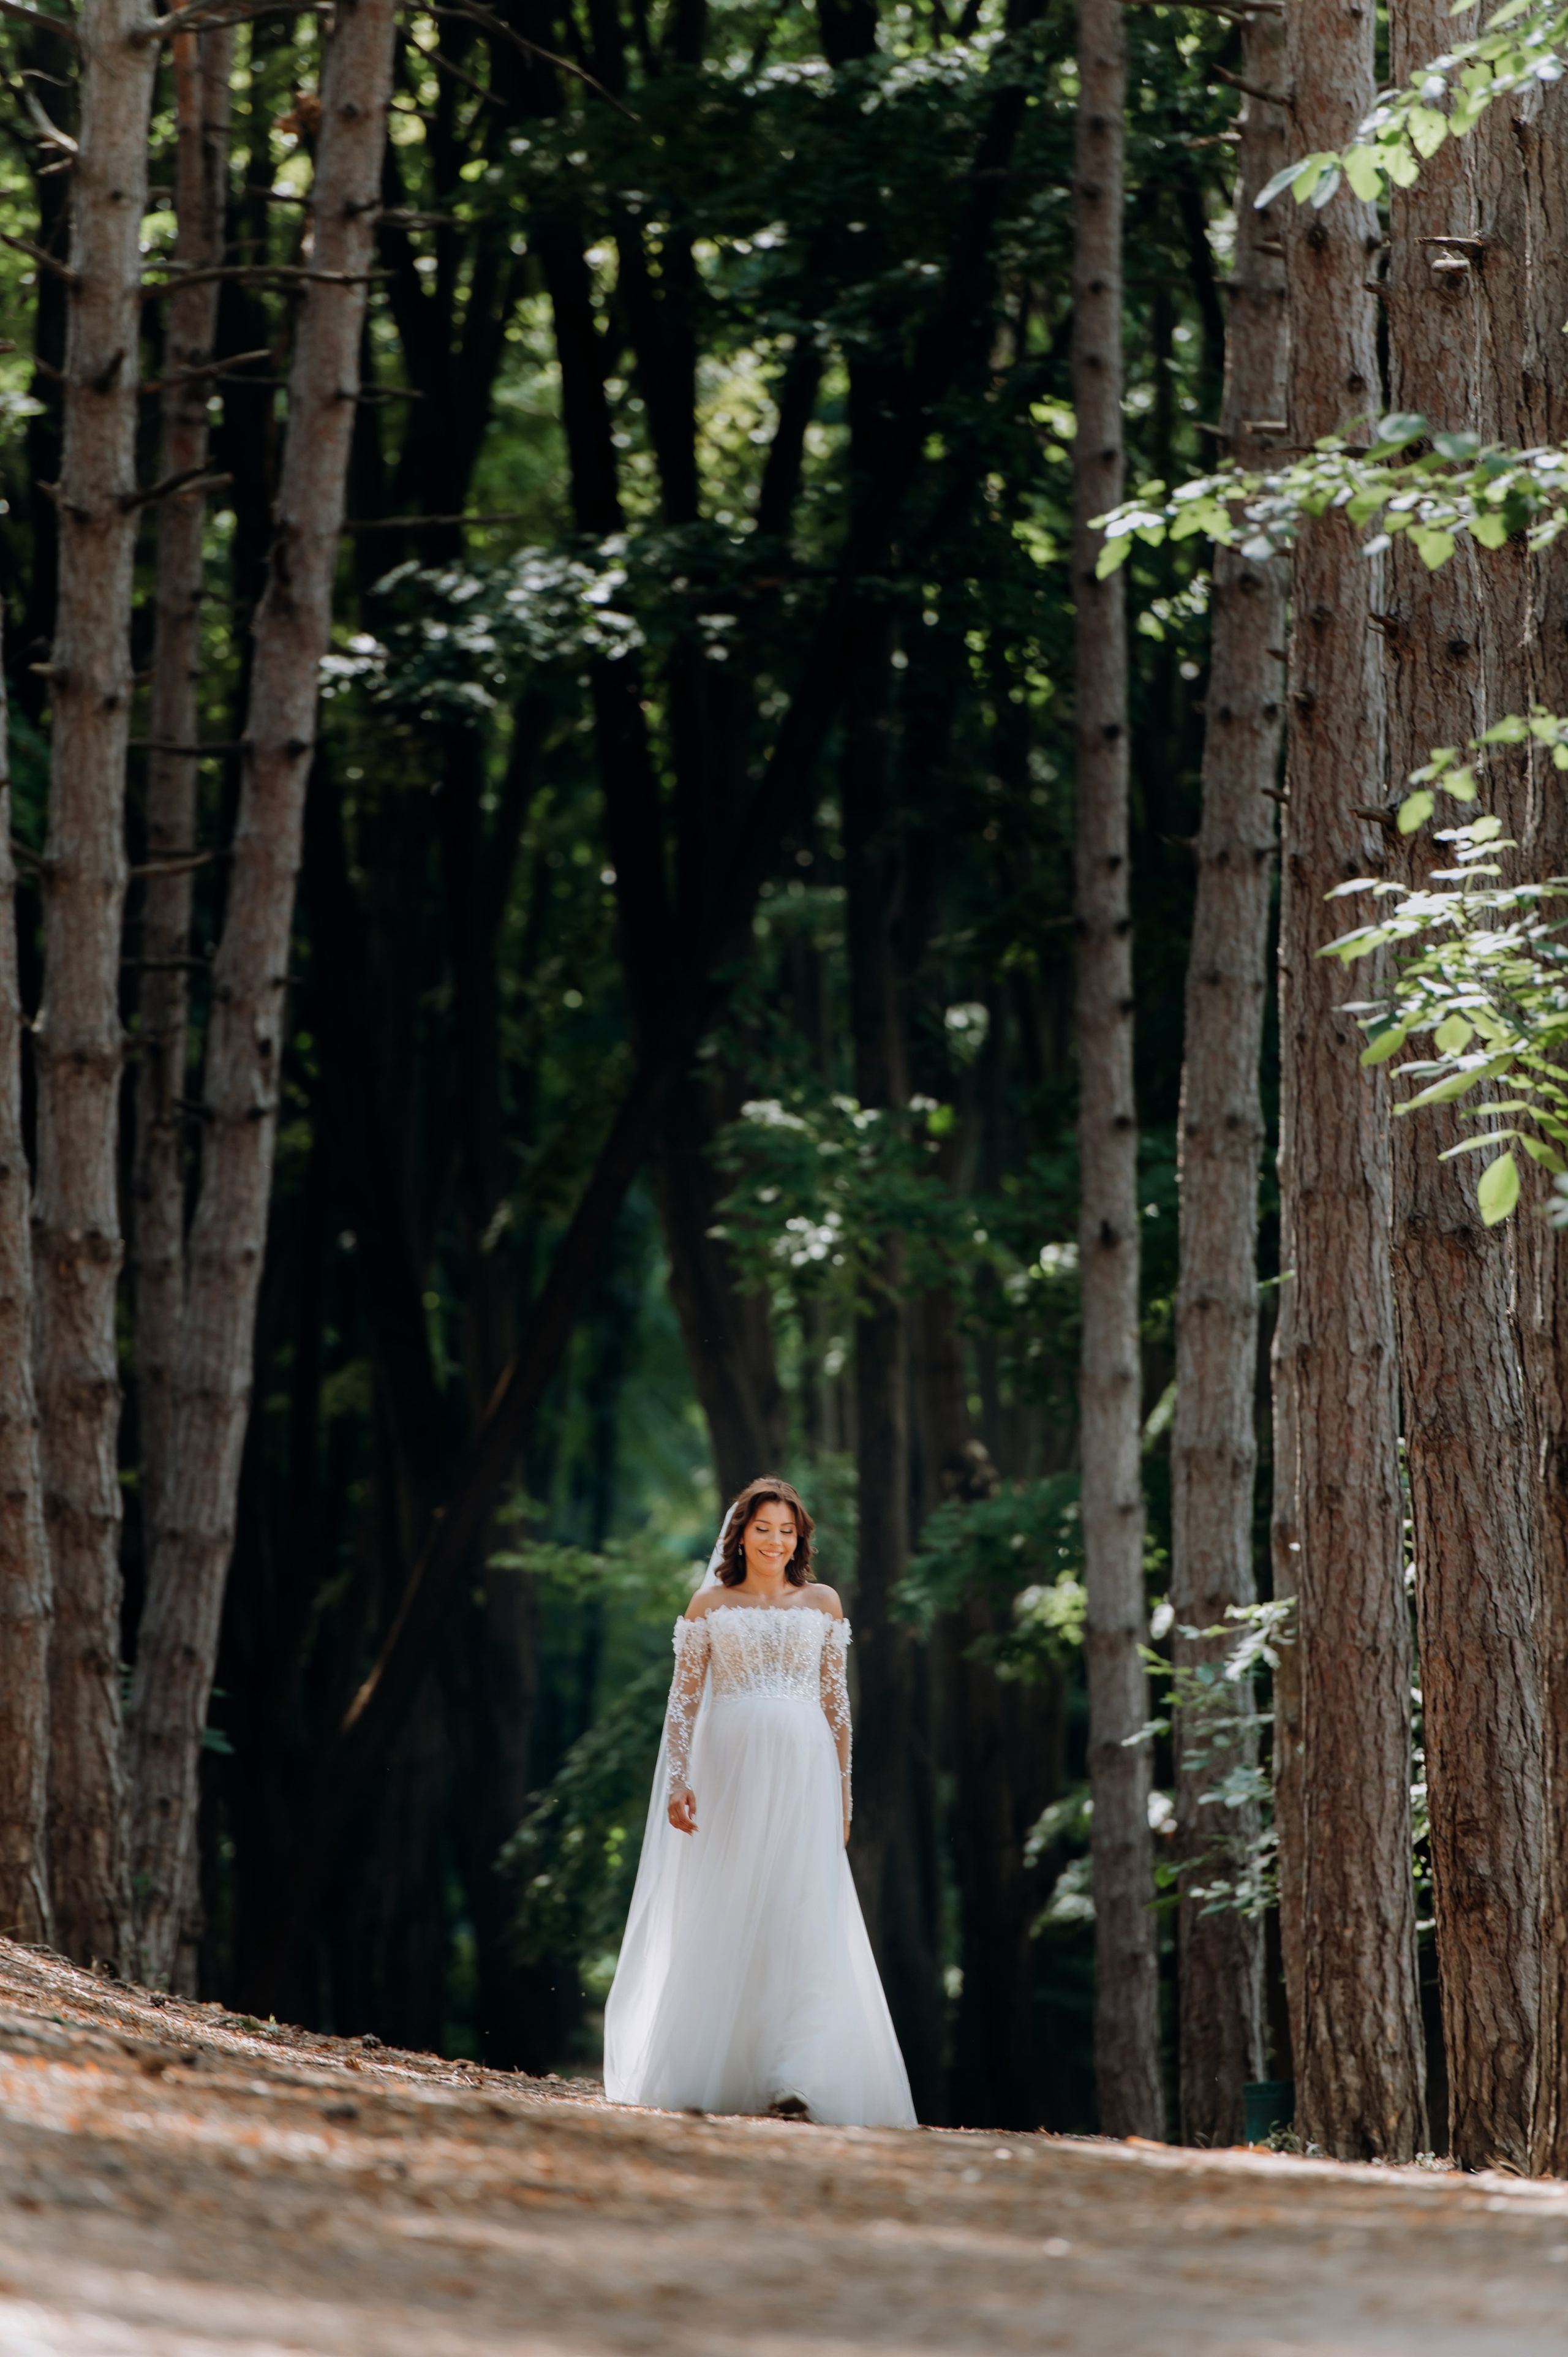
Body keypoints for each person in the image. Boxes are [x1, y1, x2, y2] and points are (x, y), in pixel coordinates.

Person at [602, 1476, 917, 2127]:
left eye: (787, 1530)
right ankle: (727, 2062)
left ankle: (798, 2073)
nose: (775, 1541)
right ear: (740, 1533)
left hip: (804, 1771)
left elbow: (838, 1707)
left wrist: (843, 1794)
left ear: (799, 1537)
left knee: (801, 1905)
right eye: (763, 1528)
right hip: (730, 1770)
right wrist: (679, 1780)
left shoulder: (823, 1602)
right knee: (733, 1901)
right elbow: (683, 1701)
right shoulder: (708, 1603)